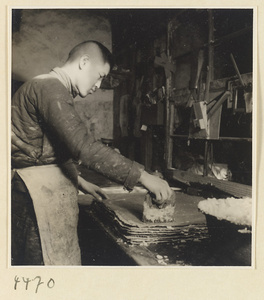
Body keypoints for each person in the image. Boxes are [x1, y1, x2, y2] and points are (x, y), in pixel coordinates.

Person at [11, 40, 173, 266]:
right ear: (83, 62)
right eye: (99, 76)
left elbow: (46, 149)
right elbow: (84, 147)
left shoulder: (48, 87)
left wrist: (80, 181)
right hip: (34, 199)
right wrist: (144, 177)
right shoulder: (50, 87)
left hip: (36, 189)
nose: (99, 84)